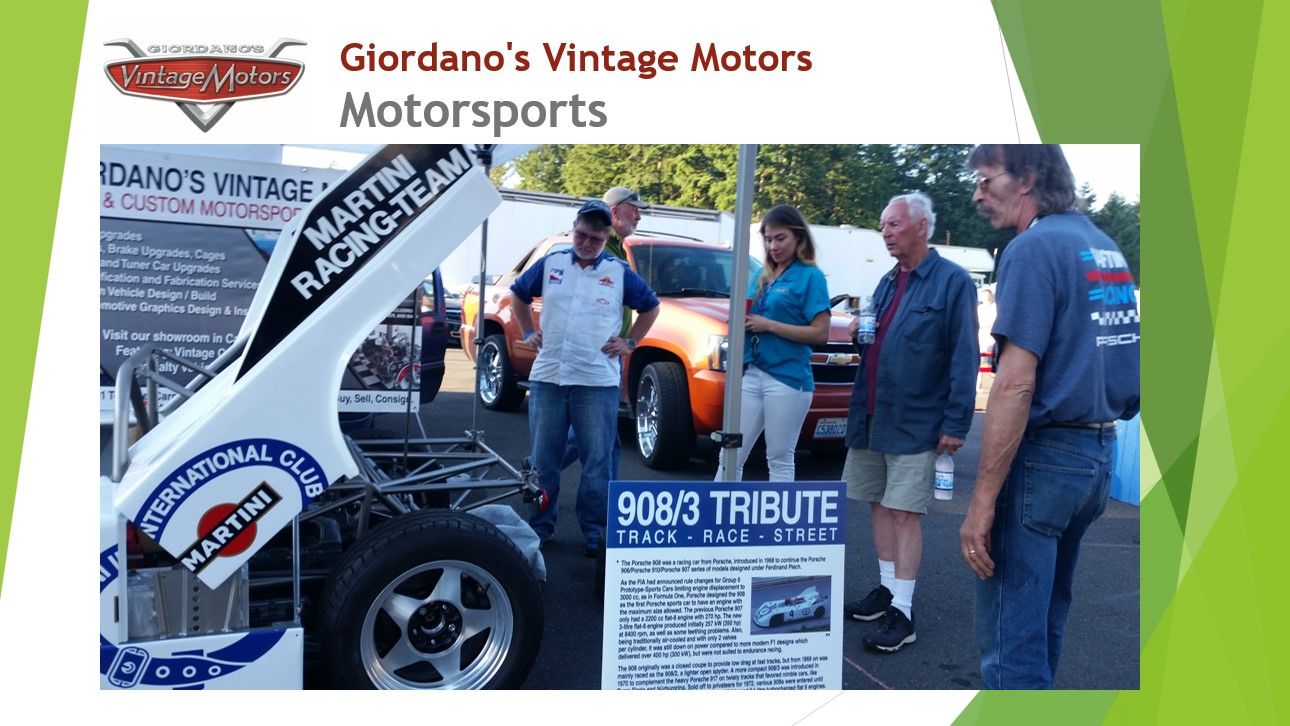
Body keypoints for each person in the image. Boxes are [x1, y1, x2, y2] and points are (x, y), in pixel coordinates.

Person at [960, 144, 1139, 689]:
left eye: (987, 180)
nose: (977, 193)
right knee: (1044, 622)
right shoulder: (1104, 247)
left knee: (1012, 638)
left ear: (1028, 179)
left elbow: (1013, 384)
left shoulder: (1032, 249)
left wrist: (981, 503)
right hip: (1097, 455)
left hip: (1044, 460)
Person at [842, 192, 979, 653]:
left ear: (921, 225)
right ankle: (885, 590)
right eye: (883, 225)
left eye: (894, 224)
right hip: (872, 414)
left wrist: (957, 422)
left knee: (904, 511)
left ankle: (904, 609)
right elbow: (872, 341)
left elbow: (964, 356)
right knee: (877, 503)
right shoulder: (885, 282)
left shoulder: (952, 282)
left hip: (917, 419)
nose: (885, 232)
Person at [511, 199, 660, 557]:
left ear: (606, 234)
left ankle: (595, 532)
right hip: (548, 378)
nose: (587, 242)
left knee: (596, 464)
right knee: (544, 460)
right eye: (581, 234)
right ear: (573, 228)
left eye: (595, 237)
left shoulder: (619, 271)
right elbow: (518, 294)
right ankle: (540, 527)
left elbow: (651, 306)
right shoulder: (552, 263)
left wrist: (630, 341)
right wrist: (528, 331)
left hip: (596, 382)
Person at [714, 204, 830, 482]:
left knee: (778, 457)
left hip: (788, 378)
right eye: (768, 238)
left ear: (799, 238)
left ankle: (778, 525)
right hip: (752, 372)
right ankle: (716, 520)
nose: (773, 245)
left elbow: (820, 333)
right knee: (729, 454)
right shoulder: (762, 275)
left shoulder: (810, 276)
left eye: (781, 238)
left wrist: (769, 326)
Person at [554, 186, 651, 473]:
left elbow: (648, 305)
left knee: (605, 439)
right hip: (592, 358)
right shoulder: (596, 254)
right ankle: (538, 474)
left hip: (605, 358)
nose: (639, 217)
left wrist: (628, 342)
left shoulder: (618, 250)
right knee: (595, 436)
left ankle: (608, 500)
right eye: (634, 209)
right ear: (613, 211)